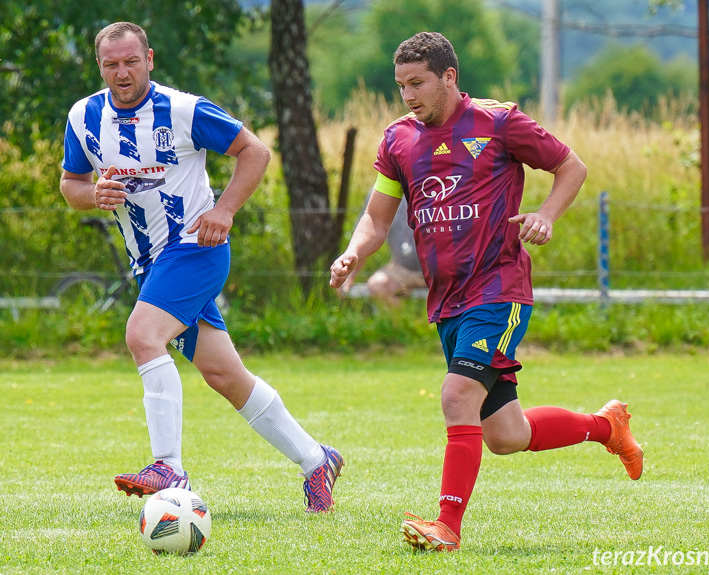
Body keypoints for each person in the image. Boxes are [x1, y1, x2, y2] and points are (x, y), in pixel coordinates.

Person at [330, 32, 643, 551]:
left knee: (456, 397)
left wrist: (545, 214)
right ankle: (606, 427)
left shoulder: (497, 122)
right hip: (447, 302)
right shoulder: (398, 139)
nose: (408, 95)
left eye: (418, 83)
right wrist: (353, 254)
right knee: (506, 436)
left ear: (449, 77)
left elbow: (572, 167)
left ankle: (446, 528)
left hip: (499, 289)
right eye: (401, 85)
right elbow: (376, 217)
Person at [59, 21, 342, 513]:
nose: (122, 73)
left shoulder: (184, 109)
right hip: (150, 264)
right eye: (111, 64)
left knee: (142, 336)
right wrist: (92, 195)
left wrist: (224, 210)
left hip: (196, 248)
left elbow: (255, 151)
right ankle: (317, 460)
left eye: (131, 62)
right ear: (99, 66)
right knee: (223, 374)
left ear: (149, 59)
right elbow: (71, 184)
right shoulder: (84, 116)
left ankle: (167, 465)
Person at [337, 192, 426, 305]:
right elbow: (367, 237)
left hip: (443, 268)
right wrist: (349, 276)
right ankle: (401, 321)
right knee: (378, 285)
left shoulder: (440, 184)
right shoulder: (380, 192)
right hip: (403, 268)